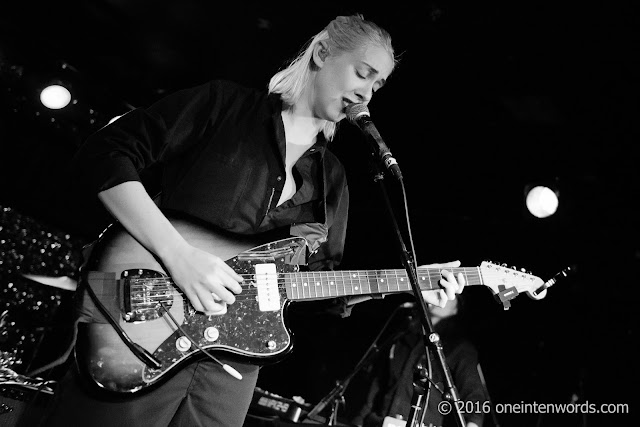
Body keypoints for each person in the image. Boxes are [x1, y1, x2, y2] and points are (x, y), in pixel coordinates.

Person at [41, 14, 466, 427]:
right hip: (142, 327)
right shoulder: (223, 106)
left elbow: (323, 287)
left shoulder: (332, 178)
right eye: (362, 72)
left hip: (230, 369)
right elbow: (107, 154)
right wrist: (178, 255)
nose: (367, 93)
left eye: (377, 84)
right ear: (321, 53)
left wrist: (410, 278)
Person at [350, 295, 488, 427]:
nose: (440, 296)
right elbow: (378, 383)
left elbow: (473, 397)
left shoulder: (460, 348)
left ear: (457, 308)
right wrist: (360, 419)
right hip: (380, 420)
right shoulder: (403, 335)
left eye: (449, 294)